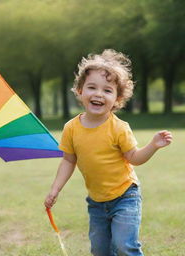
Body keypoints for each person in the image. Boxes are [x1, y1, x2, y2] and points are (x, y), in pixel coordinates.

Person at [44, 49, 173, 256]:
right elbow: (68, 161)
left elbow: (134, 158)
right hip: (96, 202)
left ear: (117, 99)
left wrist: (153, 146)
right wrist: (55, 189)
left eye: (107, 90)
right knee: (100, 251)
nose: (98, 94)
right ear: (79, 91)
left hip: (125, 196)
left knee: (125, 246)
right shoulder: (71, 128)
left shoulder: (119, 128)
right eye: (92, 87)